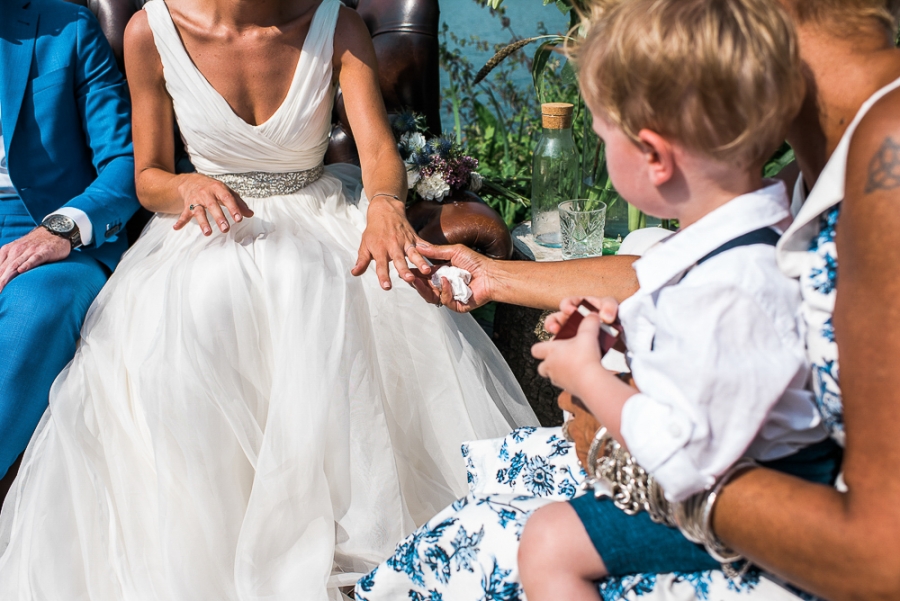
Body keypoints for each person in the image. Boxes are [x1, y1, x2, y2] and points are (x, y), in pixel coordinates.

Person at [359, 0, 900, 600]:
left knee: (509, 540)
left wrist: (623, 445)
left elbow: (881, 554)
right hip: (730, 470)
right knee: (497, 484)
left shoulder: (889, 152)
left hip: (778, 514)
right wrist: (493, 278)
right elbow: (698, 272)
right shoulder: (809, 148)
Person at [0, 0, 537, 599]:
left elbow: (379, 150)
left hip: (324, 214)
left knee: (341, 289)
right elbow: (148, 175)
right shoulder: (150, 30)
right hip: (204, 226)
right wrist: (184, 184)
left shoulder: (335, 23)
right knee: (202, 306)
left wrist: (384, 205)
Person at [516, 0, 841, 598]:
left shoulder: (733, 285)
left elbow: (686, 459)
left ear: (655, 157)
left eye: (601, 133)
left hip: (762, 497)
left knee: (548, 543)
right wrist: (617, 342)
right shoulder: (734, 248)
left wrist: (590, 379)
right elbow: (707, 369)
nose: (598, 145)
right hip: (739, 465)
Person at [0, 0, 139, 497]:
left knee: (40, 306)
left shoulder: (67, 28)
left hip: (53, 229)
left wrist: (60, 229)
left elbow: (126, 163)